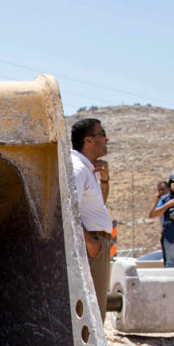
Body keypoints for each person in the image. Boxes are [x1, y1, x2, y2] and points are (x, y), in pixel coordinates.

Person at [69, 118, 113, 317]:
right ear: (88, 140)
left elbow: (98, 205)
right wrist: (91, 243)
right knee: (92, 312)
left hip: (97, 243)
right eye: (102, 134)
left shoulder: (88, 170)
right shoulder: (78, 169)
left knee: (96, 308)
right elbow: (68, 208)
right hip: (92, 246)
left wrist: (104, 180)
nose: (107, 139)